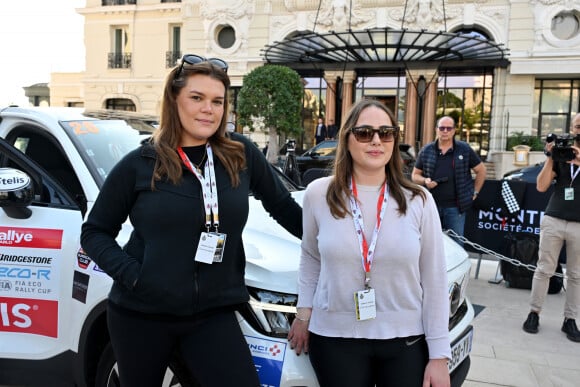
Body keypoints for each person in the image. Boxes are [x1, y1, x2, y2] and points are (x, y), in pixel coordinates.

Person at [80, 54, 303, 387]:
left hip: (212, 315)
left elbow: (284, 208)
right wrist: (136, 278)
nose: (208, 109)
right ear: (175, 100)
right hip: (142, 315)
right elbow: (94, 231)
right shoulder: (140, 163)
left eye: (217, 101)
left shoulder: (239, 154)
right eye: (197, 98)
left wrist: (334, 239)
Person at [288, 99, 451, 387]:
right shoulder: (317, 194)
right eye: (364, 132)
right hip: (335, 339)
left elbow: (434, 279)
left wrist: (439, 355)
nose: (376, 140)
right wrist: (303, 314)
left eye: (386, 132)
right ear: (347, 139)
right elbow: (311, 257)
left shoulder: (419, 200)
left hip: (406, 342)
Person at [523, 113, 580, 342]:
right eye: (577, 126)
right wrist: (551, 156)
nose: (579, 130)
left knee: (576, 274)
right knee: (544, 269)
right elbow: (541, 186)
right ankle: (534, 313)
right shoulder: (561, 151)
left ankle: (570, 319)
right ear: (572, 127)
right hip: (554, 218)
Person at [411, 116, 486, 245]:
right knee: (429, 244)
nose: (445, 131)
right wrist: (425, 181)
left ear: (454, 131)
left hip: (456, 208)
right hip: (431, 207)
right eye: (442, 128)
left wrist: (475, 193)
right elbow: (415, 176)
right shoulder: (427, 150)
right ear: (436, 130)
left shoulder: (464, 149)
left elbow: (481, 170)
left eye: (448, 128)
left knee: (456, 244)